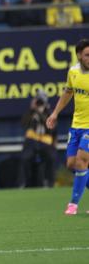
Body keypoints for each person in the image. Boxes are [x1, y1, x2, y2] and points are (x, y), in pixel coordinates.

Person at [46, 39, 89, 215]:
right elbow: (68, 92)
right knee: (71, 163)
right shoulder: (73, 72)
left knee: (81, 160)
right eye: (87, 55)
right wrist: (55, 113)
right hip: (76, 125)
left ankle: (73, 204)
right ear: (79, 55)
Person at [20, 90, 57, 188]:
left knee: (51, 157)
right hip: (32, 141)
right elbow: (24, 124)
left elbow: (51, 129)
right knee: (25, 158)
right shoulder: (31, 112)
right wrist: (32, 110)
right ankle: (26, 183)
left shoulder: (49, 112)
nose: (39, 103)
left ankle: (49, 182)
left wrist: (40, 113)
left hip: (45, 142)